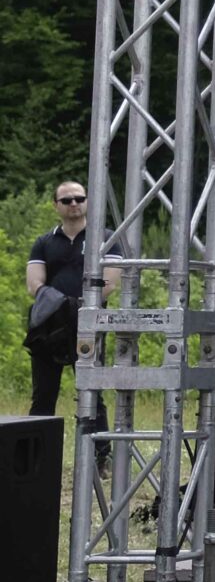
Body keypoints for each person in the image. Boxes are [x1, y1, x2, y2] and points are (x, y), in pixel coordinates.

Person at [22, 180, 96, 420]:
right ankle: (36, 444)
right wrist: (61, 306)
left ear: (87, 201)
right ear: (56, 205)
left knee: (92, 393)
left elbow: (110, 282)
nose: (74, 203)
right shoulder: (44, 242)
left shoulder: (102, 238)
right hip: (50, 324)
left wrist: (77, 306)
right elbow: (34, 284)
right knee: (43, 394)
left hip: (89, 322)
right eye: (66, 200)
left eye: (79, 199)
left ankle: (98, 444)